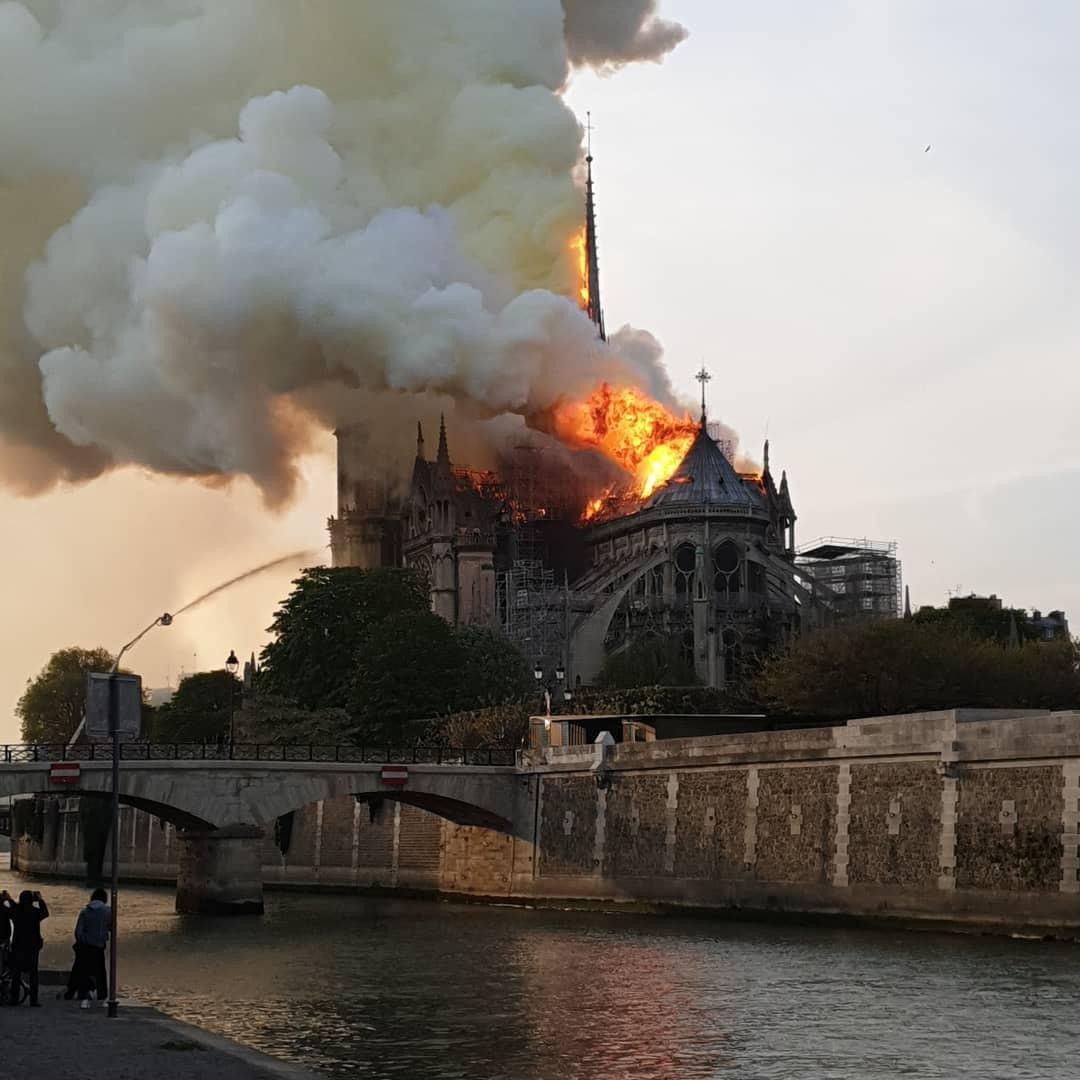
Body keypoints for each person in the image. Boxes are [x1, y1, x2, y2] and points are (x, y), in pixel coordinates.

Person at [65, 888, 110, 1004]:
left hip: (85, 946)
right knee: (100, 971)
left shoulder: (85, 911)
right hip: (99, 946)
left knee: (79, 969)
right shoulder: (108, 912)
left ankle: (72, 992)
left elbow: (78, 931)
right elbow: (111, 928)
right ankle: (102, 994)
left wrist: (83, 940)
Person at [8, 890, 48, 1007]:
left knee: (16, 973)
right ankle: (33, 1000)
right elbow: (45, 913)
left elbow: (8, 909)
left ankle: (14, 998)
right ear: (32, 900)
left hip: (18, 946)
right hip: (32, 946)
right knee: (33, 974)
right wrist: (40, 900)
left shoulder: (16, 911)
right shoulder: (35, 912)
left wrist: (8, 899)